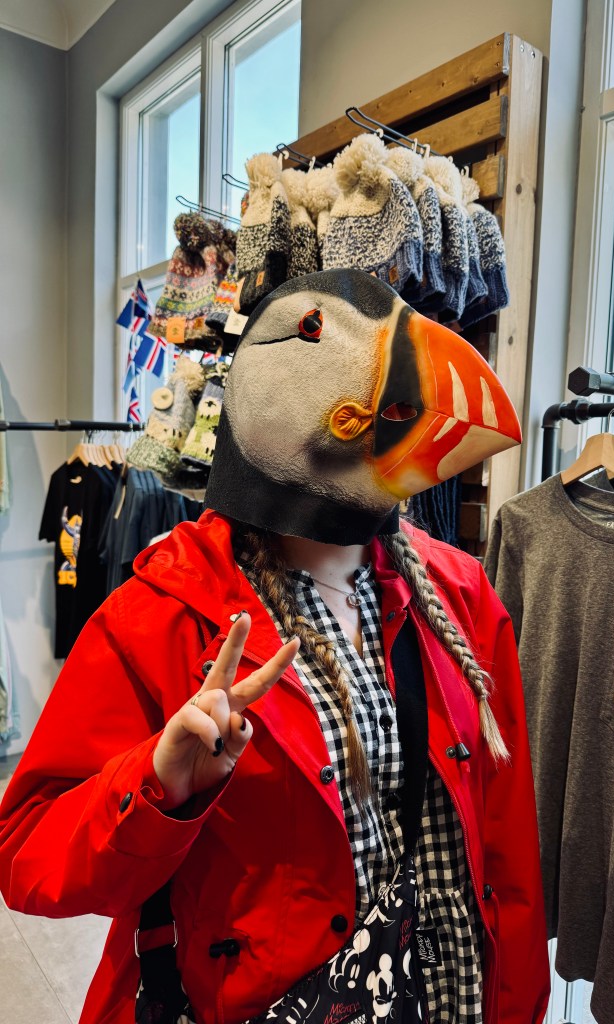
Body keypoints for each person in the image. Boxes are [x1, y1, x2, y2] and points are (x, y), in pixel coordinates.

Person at [0, 270, 549, 1024]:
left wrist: (517, 1003)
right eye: (317, 331)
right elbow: (28, 860)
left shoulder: (458, 596)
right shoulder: (159, 614)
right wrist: (159, 785)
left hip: (440, 997)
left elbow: (507, 849)